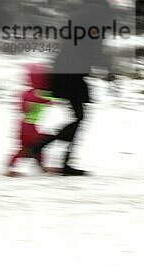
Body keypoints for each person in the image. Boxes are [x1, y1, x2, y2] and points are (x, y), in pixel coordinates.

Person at [27, 0, 116, 176]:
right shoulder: (96, 15)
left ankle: (43, 149)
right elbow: (94, 48)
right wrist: (108, 72)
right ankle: (42, 149)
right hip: (71, 74)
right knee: (79, 117)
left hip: (64, 70)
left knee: (78, 117)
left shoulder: (84, 11)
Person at [6, 64, 56, 177]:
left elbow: (49, 97)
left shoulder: (38, 93)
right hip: (25, 125)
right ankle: (11, 167)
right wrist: (45, 101)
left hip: (31, 125)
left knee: (35, 146)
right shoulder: (27, 94)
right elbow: (32, 100)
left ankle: (40, 166)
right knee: (30, 147)